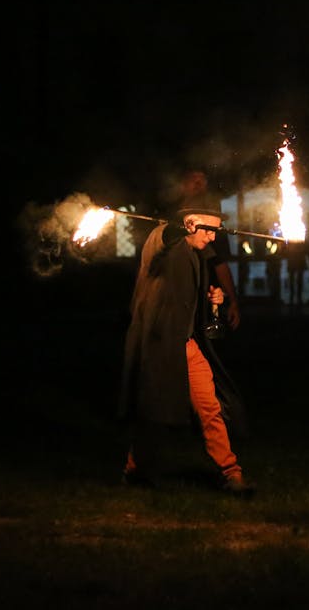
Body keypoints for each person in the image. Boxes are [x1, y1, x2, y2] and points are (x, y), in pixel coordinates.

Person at [118, 192, 253, 496]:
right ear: (190, 223)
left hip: (188, 344)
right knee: (154, 412)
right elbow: (165, 238)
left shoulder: (198, 252)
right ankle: (135, 469)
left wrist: (214, 299)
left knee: (210, 407)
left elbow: (189, 294)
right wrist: (182, 227)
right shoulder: (163, 238)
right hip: (158, 343)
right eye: (208, 229)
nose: (212, 237)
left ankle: (231, 473)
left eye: (216, 231)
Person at [168, 169, 241, 331]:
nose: (199, 184)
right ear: (183, 185)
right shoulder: (169, 230)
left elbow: (220, 264)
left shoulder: (209, 236)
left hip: (198, 315)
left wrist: (231, 300)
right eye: (194, 179)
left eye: (203, 180)